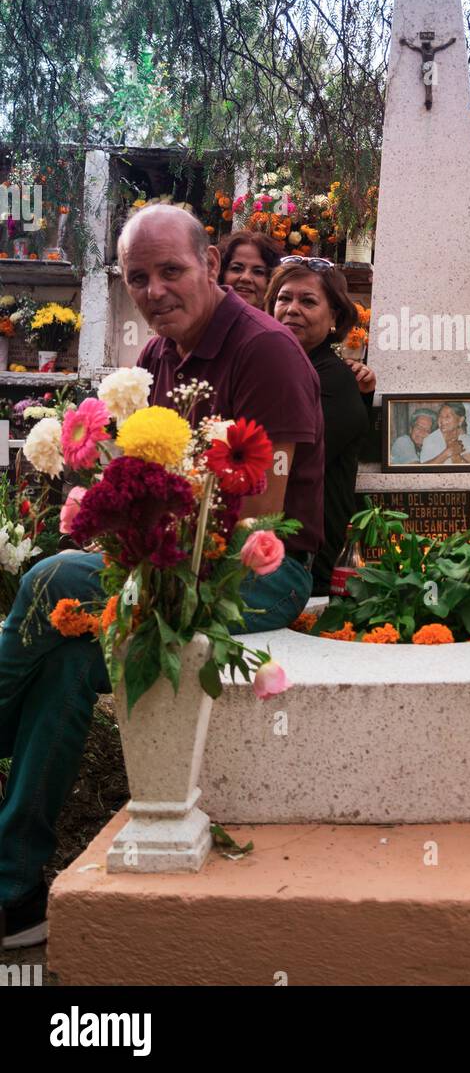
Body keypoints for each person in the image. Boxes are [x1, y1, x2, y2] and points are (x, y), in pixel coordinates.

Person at [0, 205, 324, 949]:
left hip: (262, 573)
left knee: (53, 578)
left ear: (209, 263)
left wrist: (137, 552)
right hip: (169, 559)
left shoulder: (265, 351)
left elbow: (261, 527)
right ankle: (15, 894)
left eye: (170, 271)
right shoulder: (155, 361)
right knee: (69, 657)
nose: (154, 290)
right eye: (136, 277)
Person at [265, 256, 375, 595]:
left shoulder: (335, 379)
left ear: (334, 318)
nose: (292, 309)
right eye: (284, 298)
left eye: (308, 301)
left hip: (304, 566)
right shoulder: (280, 370)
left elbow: (289, 464)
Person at [218, 230, 282, 311]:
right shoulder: (201, 320)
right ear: (221, 273)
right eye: (236, 269)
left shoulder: (276, 323)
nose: (246, 278)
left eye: (258, 271)